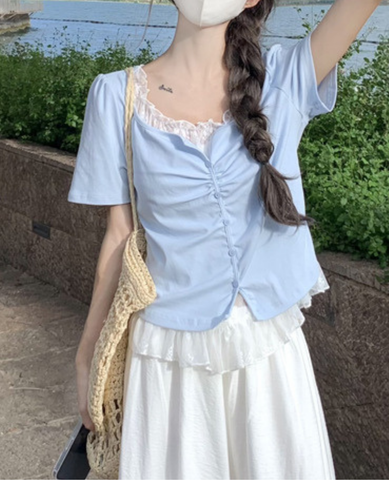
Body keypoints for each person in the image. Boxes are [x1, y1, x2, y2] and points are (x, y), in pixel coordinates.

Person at [68, 0, 382, 478]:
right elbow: (118, 237)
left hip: (268, 358)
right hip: (170, 360)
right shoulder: (116, 95)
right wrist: (88, 354)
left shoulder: (285, 78)